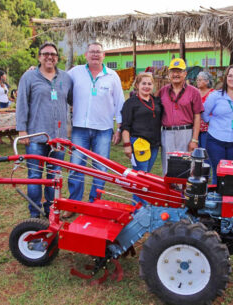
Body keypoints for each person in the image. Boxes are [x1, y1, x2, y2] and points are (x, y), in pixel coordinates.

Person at [66, 42, 124, 216]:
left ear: (104, 55)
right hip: (79, 129)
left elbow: (119, 102)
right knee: (76, 166)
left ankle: (95, 204)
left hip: (103, 129)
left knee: (101, 169)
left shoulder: (113, 76)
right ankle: (73, 204)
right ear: (86, 55)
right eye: (92, 52)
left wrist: (119, 127)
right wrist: (35, 70)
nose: (95, 55)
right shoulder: (74, 73)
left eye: (98, 52)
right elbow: (57, 79)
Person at [16, 41, 73, 218]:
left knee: (54, 177)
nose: (50, 57)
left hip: (58, 138)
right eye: (46, 54)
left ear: (57, 58)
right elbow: (22, 104)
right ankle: (34, 212)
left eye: (53, 54)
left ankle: (51, 210)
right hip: (35, 136)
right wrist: (22, 130)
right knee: (34, 176)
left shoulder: (66, 78)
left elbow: (71, 102)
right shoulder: (29, 77)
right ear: (40, 57)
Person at [121, 72, 162, 204]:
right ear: (137, 85)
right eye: (143, 83)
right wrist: (127, 145)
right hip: (139, 143)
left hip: (154, 143)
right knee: (141, 178)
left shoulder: (156, 101)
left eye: (149, 84)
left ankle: (140, 206)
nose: (146, 86)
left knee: (146, 176)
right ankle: (139, 209)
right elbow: (125, 126)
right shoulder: (130, 103)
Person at [158, 58, 203, 175]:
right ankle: (169, 192)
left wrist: (194, 139)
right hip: (167, 133)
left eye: (179, 71)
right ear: (169, 74)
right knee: (168, 168)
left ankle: (182, 193)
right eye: (173, 71)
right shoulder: (162, 91)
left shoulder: (194, 92)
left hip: (186, 133)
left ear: (185, 73)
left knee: (185, 168)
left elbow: (197, 116)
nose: (176, 74)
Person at [202, 65, 233, 184]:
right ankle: (216, 201)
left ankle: (227, 201)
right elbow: (204, 114)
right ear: (226, 78)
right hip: (216, 141)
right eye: (230, 75)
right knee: (218, 174)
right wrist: (214, 123)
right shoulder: (215, 96)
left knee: (231, 175)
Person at [196, 71, 215, 149]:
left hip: (208, 128)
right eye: (197, 80)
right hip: (196, 128)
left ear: (207, 81)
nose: (198, 82)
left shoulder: (213, 94)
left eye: (200, 80)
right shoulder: (195, 92)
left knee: (206, 151)